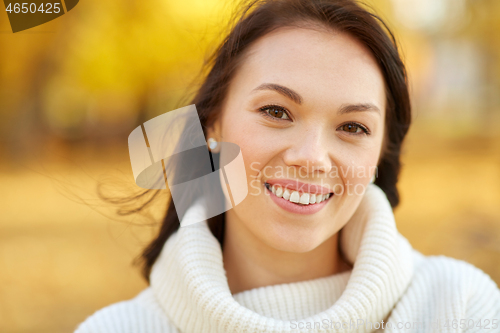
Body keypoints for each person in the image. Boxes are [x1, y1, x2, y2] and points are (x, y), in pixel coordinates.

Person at [74, 0, 500, 332]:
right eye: (277, 112)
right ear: (212, 124)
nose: (312, 157)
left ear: (380, 154)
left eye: (353, 126)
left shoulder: (457, 308)